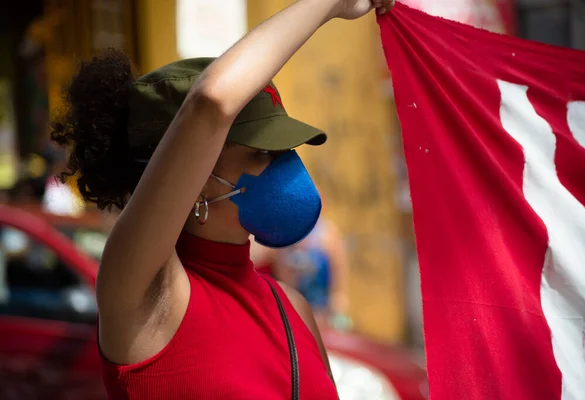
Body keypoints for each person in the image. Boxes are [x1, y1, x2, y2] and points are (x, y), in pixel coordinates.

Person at [50, 0, 395, 398]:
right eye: (262, 152)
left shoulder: (292, 308)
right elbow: (211, 102)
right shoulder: (144, 293)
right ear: (195, 176)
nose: (288, 166)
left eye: (287, 149)